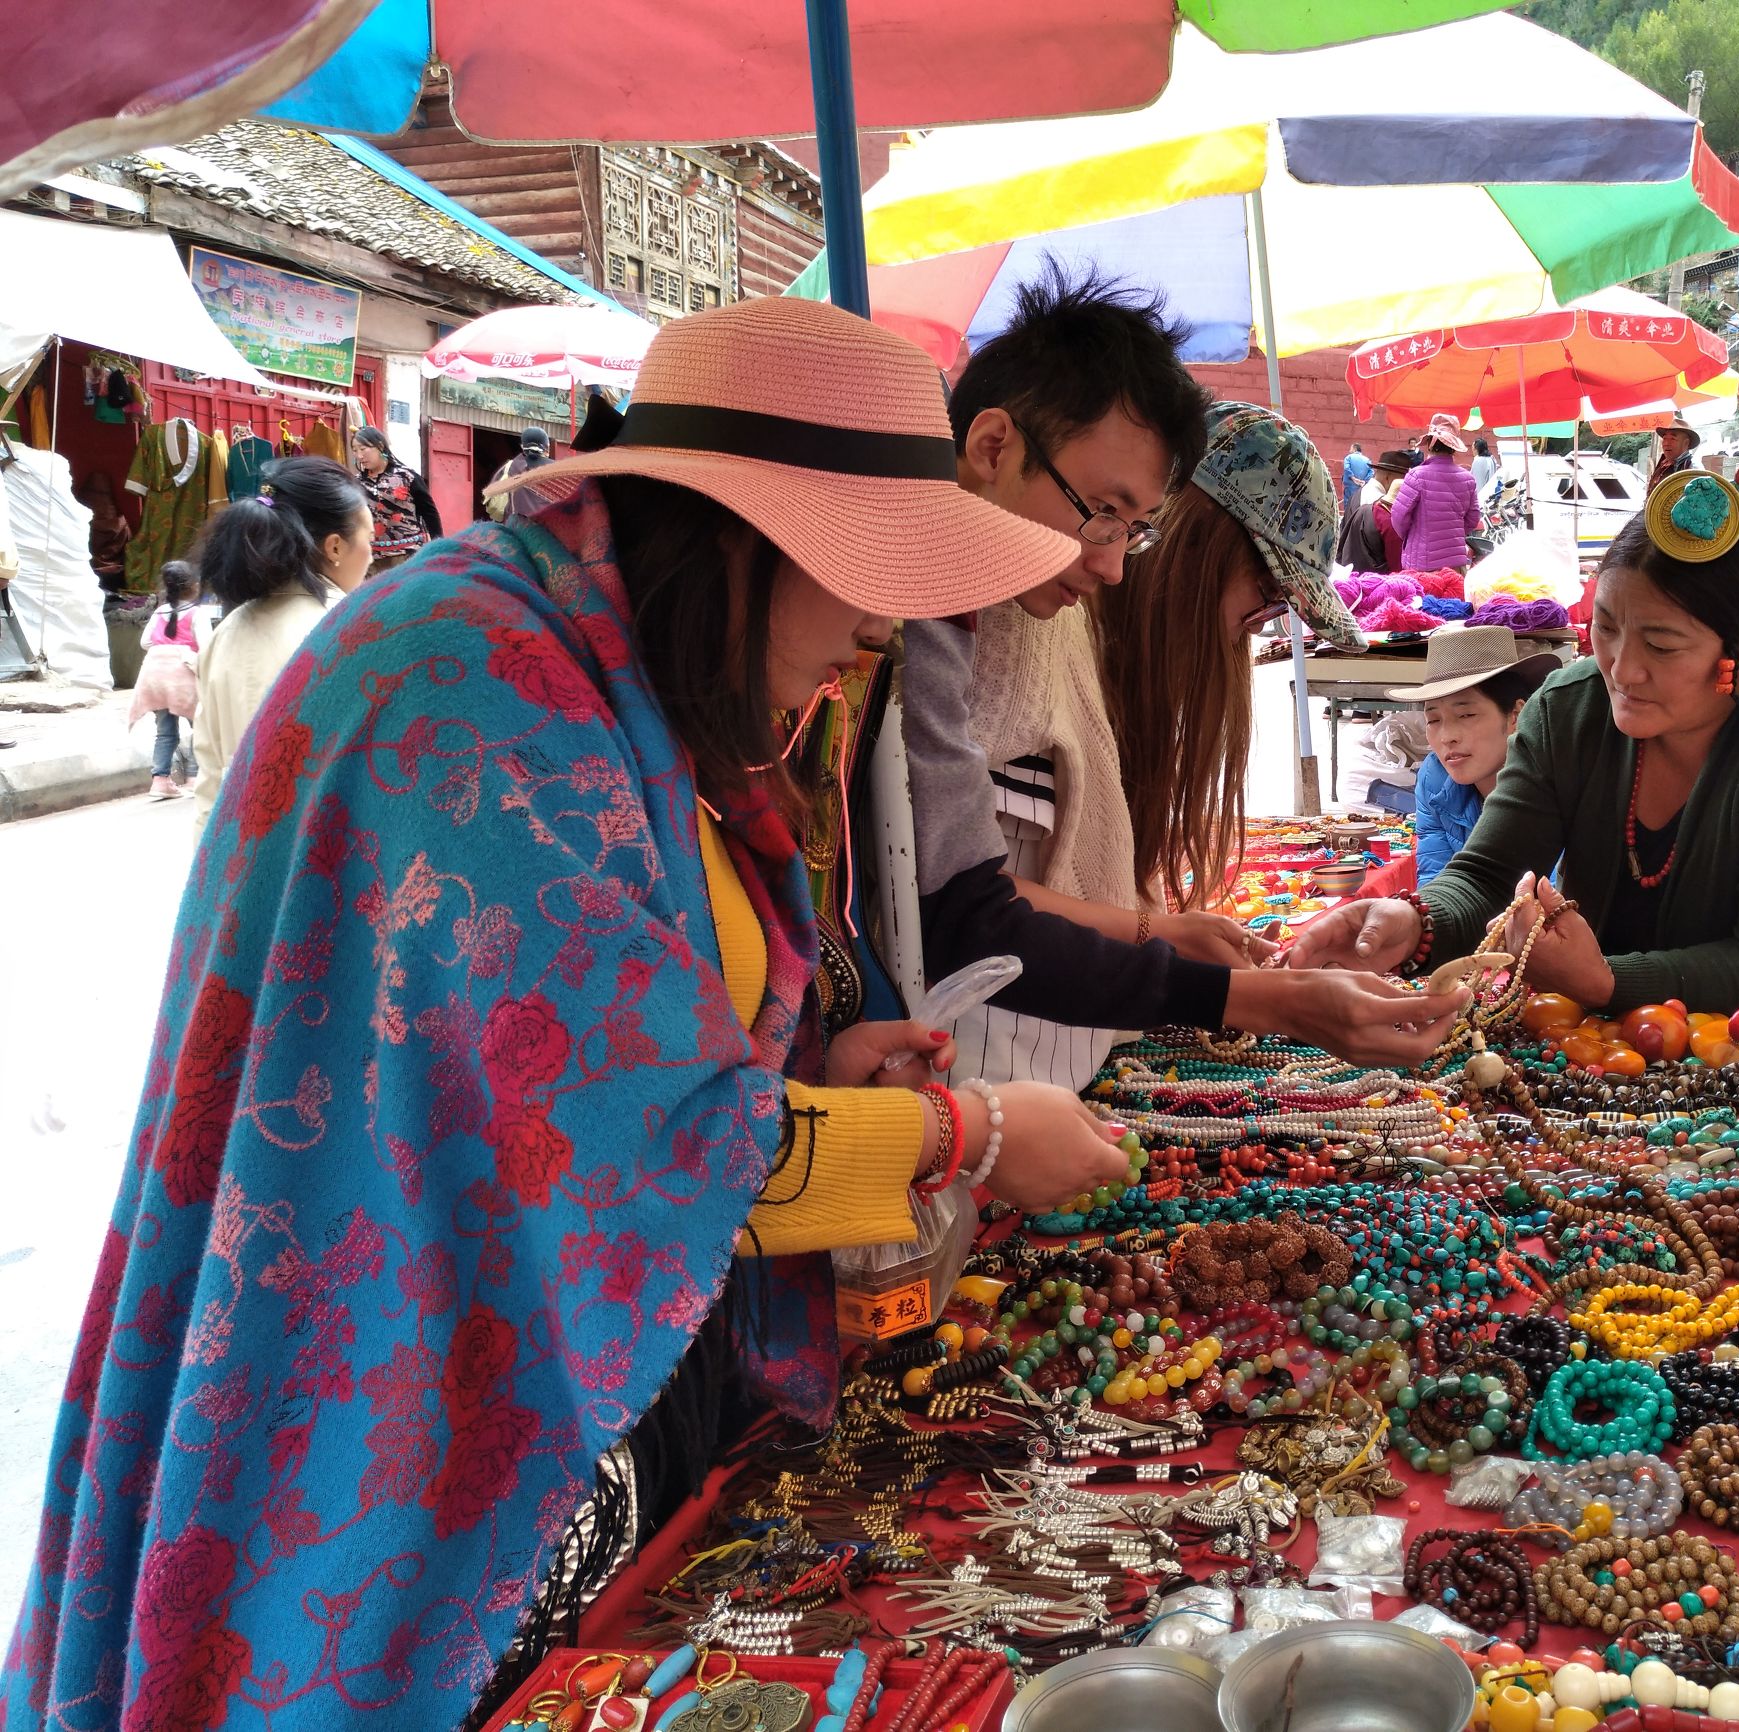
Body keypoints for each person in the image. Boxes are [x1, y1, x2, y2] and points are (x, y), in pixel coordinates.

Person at [8, 296, 1134, 1732]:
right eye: (863, 568)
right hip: (394, 1399)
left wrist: (817, 1061)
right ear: (737, 536)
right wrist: (955, 1133)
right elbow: (627, 1148)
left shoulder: (616, 677)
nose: (878, 621)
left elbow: (639, 1048)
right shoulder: (477, 689)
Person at [889, 271, 1463, 1094]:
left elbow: (966, 895)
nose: (1113, 566)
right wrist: (1249, 995)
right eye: (1101, 511)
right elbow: (965, 912)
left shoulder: (990, 617)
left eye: (1133, 529)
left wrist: (1160, 935)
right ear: (990, 448)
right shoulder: (965, 620)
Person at [1290, 465, 1739, 1014]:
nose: (1621, 668)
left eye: (1663, 645)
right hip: (1590, 1047)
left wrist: (1606, 982)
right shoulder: (1570, 710)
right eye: (1608, 628)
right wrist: (1415, 922)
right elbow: (1487, 873)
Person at [1092, 401, 1369, 913]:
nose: (1263, 620)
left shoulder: (1133, 683)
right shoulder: (1064, 664)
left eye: (1281, 604)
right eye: (1268, 588)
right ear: (1195, 550)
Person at [187, 456, 372, 815]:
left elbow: (209, 777)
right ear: (335, 547)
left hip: (237, 851)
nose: (372, 554)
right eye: (370, 537)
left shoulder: (225, 631)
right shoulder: (351, 629)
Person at [1381, 625, 1545, 886]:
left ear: (1516, 716)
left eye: (1466, 715)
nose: (1447, 737)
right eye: (1433, 719)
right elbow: (1435, 878)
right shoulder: (1434, 779)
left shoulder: (1554, 781)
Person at [129, 559, 203, 798]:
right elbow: (208, 646)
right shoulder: (195, 613)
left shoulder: (160, 611)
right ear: (192, 586)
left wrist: (166, 647)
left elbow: (145, 642)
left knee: (165, 732)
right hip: (184, 678)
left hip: (156, 678)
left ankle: (160, 780)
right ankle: (194, 778)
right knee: (199, 726)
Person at [1389, 412, 1481, 572]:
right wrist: (1452, 533)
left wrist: (1415, 537)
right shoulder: (1468, 479)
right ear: (1453, 447)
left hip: (1421, 565)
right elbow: (1473, 519)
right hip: (1455, 565)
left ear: (1430, 443)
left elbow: (1398, 518)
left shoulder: (1416, 476)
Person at [351, 423, 443, 577]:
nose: (359, 456)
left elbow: (429, 513)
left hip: (408, 555)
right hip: (371, 559)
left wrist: (439, 545)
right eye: (355, 450)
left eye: (363, 449)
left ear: (380, 446)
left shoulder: (407, 476)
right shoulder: (355, 482)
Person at [1336, 446, 1415, 573]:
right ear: (1388, 478)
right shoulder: (1382, 507)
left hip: (1349, 573)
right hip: (1371, 580)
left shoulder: (1358, 494)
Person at [486, 425, 557, 521]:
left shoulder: (510, 466)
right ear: (547, 448)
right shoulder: (557, 469)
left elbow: (492, 503)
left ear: (523, 446)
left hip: (517, 528)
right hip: (548, 529)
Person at [1649, 418, 1700, 492]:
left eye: (1672, 439)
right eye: (1665, 438)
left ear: (1686, 443)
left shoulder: (1693, 469)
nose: (1666, 443)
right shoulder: (1663, 464)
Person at [1341, 440, 1372, 506]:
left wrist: (1353, 478)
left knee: (1348, 506)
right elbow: (1371, 472)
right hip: (1361, 487)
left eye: (1351, 448)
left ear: (1355, 449)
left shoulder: (1348, 457)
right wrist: (1364, 481)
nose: (1349, 451)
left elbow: (1347, 468)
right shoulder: (1367, 460)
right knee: (1359, 505)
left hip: (1350, 486)